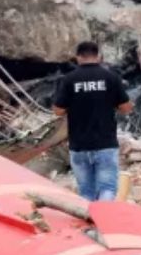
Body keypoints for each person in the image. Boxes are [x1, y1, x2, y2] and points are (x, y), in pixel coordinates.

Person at [52, 41, 134, 201]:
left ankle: (87, 217)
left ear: (78, 57)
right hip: (105, 144)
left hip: (79, 146)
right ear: (98, 56)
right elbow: (126, 108)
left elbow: (58, 111)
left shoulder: (69, 80)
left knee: (86, 193)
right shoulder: (111, 77)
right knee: (107, 189)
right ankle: (103, 217)